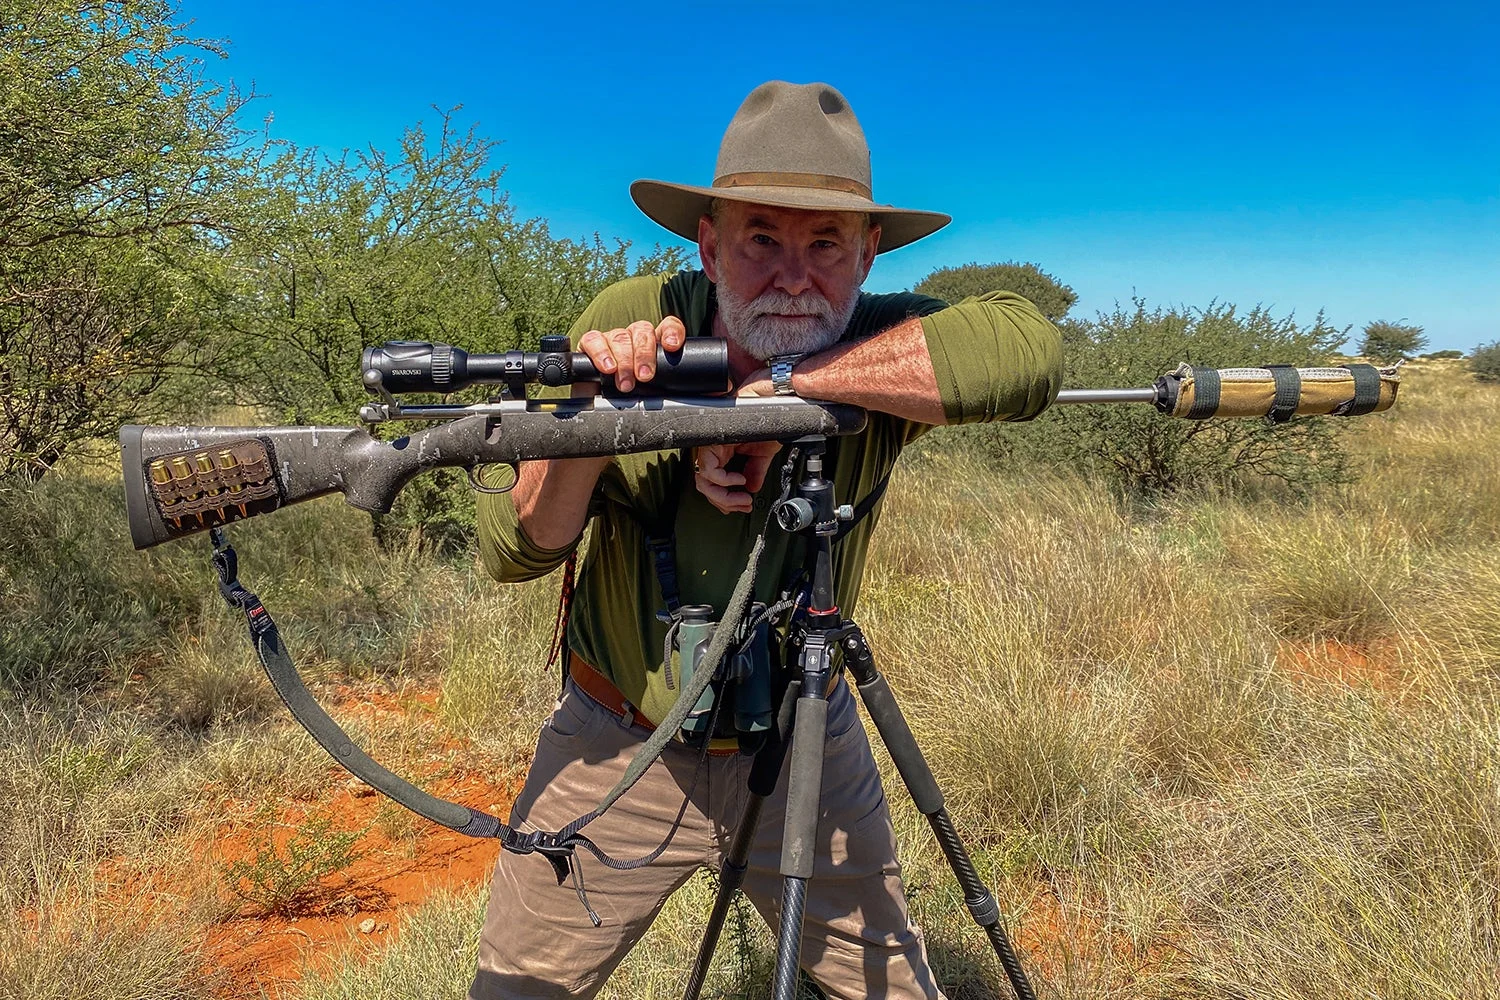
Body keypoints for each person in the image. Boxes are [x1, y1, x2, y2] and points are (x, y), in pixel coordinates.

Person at [468, 80, 1062, 1000]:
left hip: (805, 738)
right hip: (617, 735)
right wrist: (602, 413)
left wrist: (786, 391)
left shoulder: (876, 333)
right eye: (760, 239)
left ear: (869, 254)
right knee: (515, 992)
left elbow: (1028, 353)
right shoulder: (636, 312)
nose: (794, 275)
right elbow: (515, 549)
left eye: (826, 243)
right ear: (708, 243)